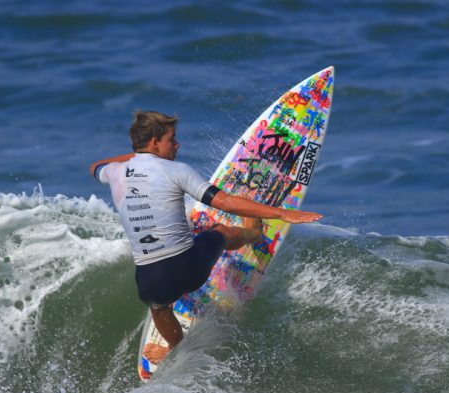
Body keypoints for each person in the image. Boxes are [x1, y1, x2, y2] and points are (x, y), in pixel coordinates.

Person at [90, 111, 322, 364]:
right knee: (220, 232)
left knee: (159, 307)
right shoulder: (175, 170)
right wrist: (281, 213)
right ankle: (254, 233)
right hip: (189, 269)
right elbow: (226, 202)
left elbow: (95, 167)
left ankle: (175, 350)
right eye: (171, 139)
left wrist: (135, 159)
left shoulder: (114, 172)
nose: (177, 144)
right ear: (155, 142)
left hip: (150, 283)